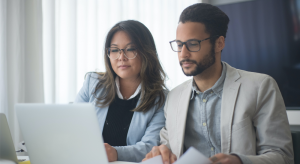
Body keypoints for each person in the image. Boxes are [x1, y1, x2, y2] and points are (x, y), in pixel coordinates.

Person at [143, 3, 294, 164]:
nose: (183, 54)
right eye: (179, 45)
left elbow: (282, 157)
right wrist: (160, 153)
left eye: (193, 44)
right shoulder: (173, 97)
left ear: (219, 43)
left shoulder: (261, 87)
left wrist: (239, 161)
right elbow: (166, 148)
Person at [75, 20, 168, 162]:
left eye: (130, 49)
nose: (121, 57)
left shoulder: (160, 99)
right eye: (114, 50)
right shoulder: (92, 83)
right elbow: (72, 127)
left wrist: (116, 153)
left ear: (146, 52)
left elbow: (150, 147)